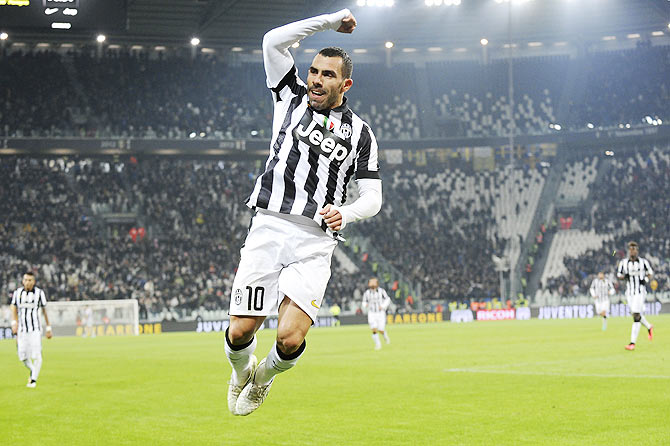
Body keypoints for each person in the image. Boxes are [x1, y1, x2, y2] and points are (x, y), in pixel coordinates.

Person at [225, 8, 382, 416]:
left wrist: (345, 214)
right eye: (314, 71)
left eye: (328, 75)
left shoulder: (362, 134)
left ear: (345, 84)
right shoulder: (289, 96)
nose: (316, 79)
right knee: (240, 330)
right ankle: (241, 372)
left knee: (291, 338)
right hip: (269, 225)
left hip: (314, 240)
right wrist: (330, 20)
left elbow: (372, 197)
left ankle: (263, 379)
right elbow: (272, 40)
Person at [10, 272, 53, 388]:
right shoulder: (17, 293)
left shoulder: (40, 293)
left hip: (35, 330)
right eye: (25, 280)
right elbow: (13, 307)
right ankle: (33, 370)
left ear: (34, 282)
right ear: (23, 281)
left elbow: (44, 311)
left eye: (30, 280)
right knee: (22, 356)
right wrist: (14, 323)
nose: (27, 282)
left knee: (37, 355)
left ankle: (33, 380)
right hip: (22, 330)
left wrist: (48, 328)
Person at [617, 241, 654, 350]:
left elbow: (650, 273)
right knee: (634, 314)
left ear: (637, 250)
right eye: (630, 249)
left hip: (639, 291)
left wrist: (645, 279)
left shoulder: (643, 262)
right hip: (629, 292)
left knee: (636, 315)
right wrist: (624, 277)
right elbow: (619, 274)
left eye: (634, 248)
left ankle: (632, 343)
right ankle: (649, 326)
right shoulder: (623, 263)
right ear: (628, 250)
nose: (632, 250)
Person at [362, 278, 391, 350]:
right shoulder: (367, 293)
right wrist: (365, 305)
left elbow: (387, 299)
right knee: (374, 329)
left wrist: (383, 306)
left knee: (381, 329)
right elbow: (364, 302)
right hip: (372, 313)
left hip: (380, 313)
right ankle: (378, 344)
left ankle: (385, 336)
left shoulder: (382, 291)